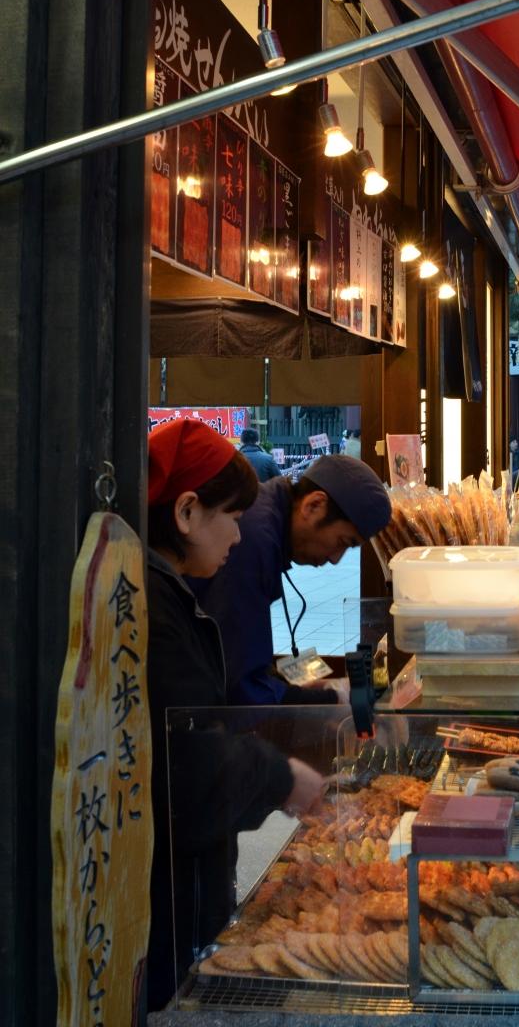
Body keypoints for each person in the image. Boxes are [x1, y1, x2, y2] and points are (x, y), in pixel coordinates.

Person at [145, 418, 327, 1008]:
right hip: (164, 900)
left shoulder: (171, 591)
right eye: (231, 518)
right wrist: (280, 776)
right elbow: (188, 759)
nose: (239, 537)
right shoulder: (156, 606)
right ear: (188, 512)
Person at [196, 454, 392, 705]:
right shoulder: (253, 538)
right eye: (343, 542)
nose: (335, 559)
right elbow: (240, 685)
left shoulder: (268, 519)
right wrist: (332, 700)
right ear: (313, 506)